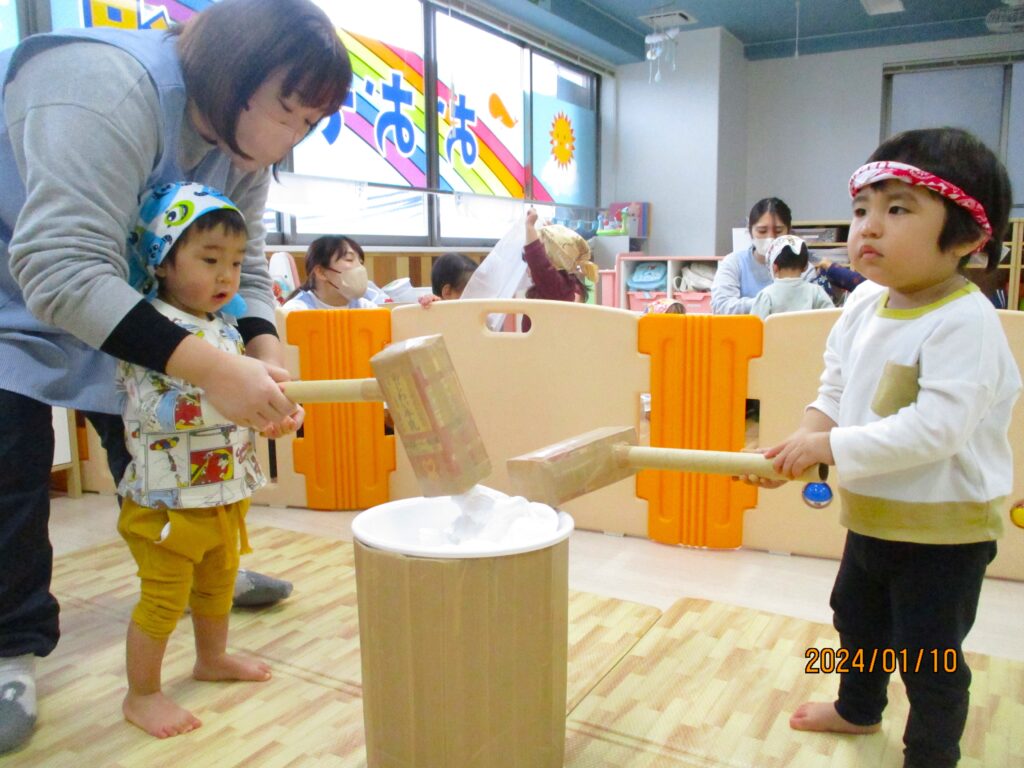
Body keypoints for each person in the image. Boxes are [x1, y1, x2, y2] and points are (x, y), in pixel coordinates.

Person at [0, 0, 351, 754]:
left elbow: (247, 261)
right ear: (234, 80)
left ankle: (201, 573)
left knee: (179, 454)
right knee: (9, 482)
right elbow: (59, 270)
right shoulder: (99, 85)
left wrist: (262, 349)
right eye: (289, 114)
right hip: (15, 303)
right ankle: (9, 650)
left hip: (130, 309)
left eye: (311, 123)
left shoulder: (240, 144)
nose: (294, 140)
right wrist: (212, 368)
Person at [754, 128, 1021, 768]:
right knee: (856, 619)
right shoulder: (866, 304)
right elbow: (836, 386)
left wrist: (833, 444)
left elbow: (937, 430)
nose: (868, 228)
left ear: (966, 237)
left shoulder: (965, 321)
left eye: (897, 209)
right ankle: (858, 706)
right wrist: (803, 441)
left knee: (926, 653)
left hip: (945, 528)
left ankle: (931, 754)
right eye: (861, 209)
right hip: (874, 512)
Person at [118, 182, 284, 738]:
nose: (226, 276)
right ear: (162, 262)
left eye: (235, 262)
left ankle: (211, 660)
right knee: (163, 600)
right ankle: (141, 694)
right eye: (209, 259)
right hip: (167, 501)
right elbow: (156, 409)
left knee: (218, 584)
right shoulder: (149, 329)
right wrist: (228, 397)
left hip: (223, 494)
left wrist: (272, 412)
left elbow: (245, 400)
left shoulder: (226, 328)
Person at [711, 197, 793, 315]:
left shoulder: (801, 267)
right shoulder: (733, 262)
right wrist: (767, 303)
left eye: (778, 231)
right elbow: (721, 306)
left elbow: (813, 309)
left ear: (789, 231)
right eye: (762, 231)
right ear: (750, 231)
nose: (770, 238)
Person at [750, 235, 834, 319]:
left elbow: (753, 328)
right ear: (805, 266)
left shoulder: (766, 296)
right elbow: (831, 320)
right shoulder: (816, 292)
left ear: (774, 267)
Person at [282, 235, 375, 310]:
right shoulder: (296, 311)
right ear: (321, 272)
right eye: (349, 259)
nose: (360, 267)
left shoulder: (366, 308)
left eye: (361, 262)